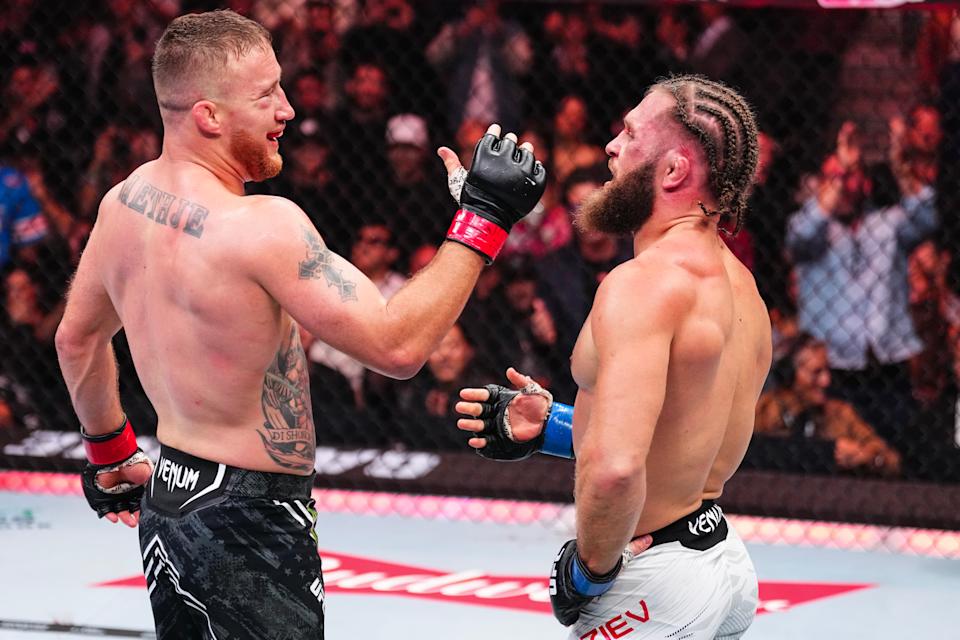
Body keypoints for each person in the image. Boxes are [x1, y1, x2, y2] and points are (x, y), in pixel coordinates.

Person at [54, 9, 545, 639]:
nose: (287, 110)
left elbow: (77, 339)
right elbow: (398, 346)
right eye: (267, 95)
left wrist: (109, 452)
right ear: (209, 115)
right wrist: (485, 218)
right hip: (249, 518)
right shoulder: (264, 228)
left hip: (169, 502)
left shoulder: (123, 202)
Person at [456, 75, 770, 638]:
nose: (611, 147)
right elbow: (682, 434)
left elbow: (617, 470)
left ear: (673, 170)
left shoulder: (642, 285)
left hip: (655, 581)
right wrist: (555, 426)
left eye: (629, 134)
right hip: (720, 556)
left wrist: (588, 571)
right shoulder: (741, 284)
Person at [756, 333, 901, 477]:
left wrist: (868, 457)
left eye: (827, 371)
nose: (826, 381)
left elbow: (893, 461)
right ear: (789, 375)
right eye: (816, 372)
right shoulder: (763, 411)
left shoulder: (839, 413)